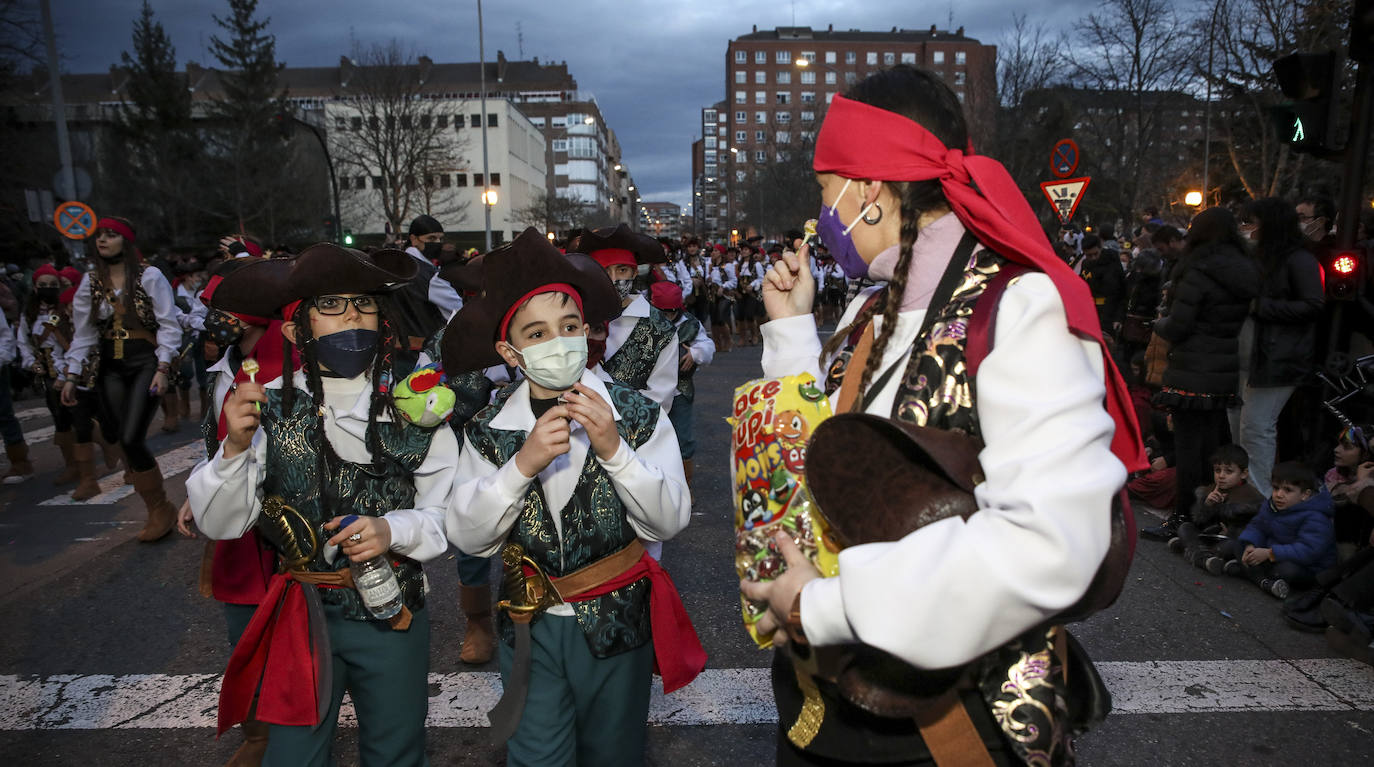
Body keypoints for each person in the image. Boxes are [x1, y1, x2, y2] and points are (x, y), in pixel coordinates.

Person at [743, 65, 1144, 766]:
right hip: (833, 708)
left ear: (868, 189)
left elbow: (1048, 542)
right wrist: (790, 335)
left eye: (823, 190)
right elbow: (836, 456)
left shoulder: (1019, 306)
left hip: (953, 727)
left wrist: (827, 606)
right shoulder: (875, 305)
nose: (818, 217)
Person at [188, 243, 454, 766]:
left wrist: (392, 528)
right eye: (330, 305)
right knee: (294, 754)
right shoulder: (269, 404)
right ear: (295, 331)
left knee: (397, 749)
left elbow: (450, 511)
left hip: (393, 612)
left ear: (384, 321)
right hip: (302, 616)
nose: (352, 314)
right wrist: (234, 451)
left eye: (364, 303)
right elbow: (221, 522)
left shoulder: (416, 401)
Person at [444, 228, 701, 767]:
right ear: (509, 351)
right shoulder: (490, 428)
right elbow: (467, 535)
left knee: (613, 752)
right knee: (536, 756)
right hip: (530, 627)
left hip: (618, 625)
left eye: (567, 327)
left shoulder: (636, 414)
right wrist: (521, 467)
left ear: (587, 331)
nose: (557, 342)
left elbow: (670, 519)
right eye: (536, 334)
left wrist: (615, 450)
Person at [176, 255, 292, 765]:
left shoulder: (286, 371)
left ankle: (280, 731)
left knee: (282, 630)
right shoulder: (227, 363)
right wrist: (200, 488)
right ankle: (259, 732)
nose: (211, 314)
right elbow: (222, 441)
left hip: (277, 525)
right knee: (243, 632)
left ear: (250, 314)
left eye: (220, 307)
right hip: (236, 520)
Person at [1141, 208, 1259, 542]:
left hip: (1191, 369)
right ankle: (1207, 516)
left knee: (1189, 450)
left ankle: (1182, 518)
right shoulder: (1243, 271)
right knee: (1212, 446)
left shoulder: (1197, 271)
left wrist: (1160, 323)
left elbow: (1179, 325)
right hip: (1223, 369)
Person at [61, 217, 183, 541]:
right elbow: (84, 334)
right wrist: (72, 374)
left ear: (125, 242)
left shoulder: (150, 276)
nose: (103, 240)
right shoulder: (89, 283)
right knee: (120, 438)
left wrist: (163, 367)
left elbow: (169, 325)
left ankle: (160, 509)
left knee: (132, 437)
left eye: (111, 235)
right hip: (110, 365)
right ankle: (157, 507)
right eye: (99, 235)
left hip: (145, 361)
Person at [1232, 198, 1324, 494]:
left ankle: (1259, 499)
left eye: (1251, 222)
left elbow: (1313, 305)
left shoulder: (1298, 259)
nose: (1246, 228)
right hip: (1247, 357)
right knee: (1240, 430)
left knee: (1256, 429)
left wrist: (1261, 306)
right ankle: (1240, 495)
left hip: (1276, 358)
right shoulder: (1258, 257)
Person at [570, 224, 680, 414]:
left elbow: (660, 399)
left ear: (634, 273)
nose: (613, 280)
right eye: (605, 271)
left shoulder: (661, 330)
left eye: (622, 270)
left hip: (631, 437)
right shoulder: (573, 319)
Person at [1206, 462, 1336, 599]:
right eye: (1275, 488)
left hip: (1308, 568)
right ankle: (1263, 579)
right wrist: (1250, 545)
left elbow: (1308, 551)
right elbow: (1257, 526)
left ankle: (1250, 574)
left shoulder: (1316, 517)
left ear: (1305, 494)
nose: (1279, 494)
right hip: (1273, 554)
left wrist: (1270, 554)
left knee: (1286, 571)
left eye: (1288, 490)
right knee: (1240, 545)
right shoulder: (1272, 505)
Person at [648, 280, 714, 485]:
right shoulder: (644, 321)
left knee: (682, 439)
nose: (668, 317)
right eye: (663, 312)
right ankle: (654, 484)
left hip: (679, 391)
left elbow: (708, 346)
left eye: (672, 312)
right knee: (650, 438)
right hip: (648, 391)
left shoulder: (690, 324)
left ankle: (685, 487)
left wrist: (695, 353)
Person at [1170, 444, 1265, 568]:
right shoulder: (1211, 490)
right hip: (1210, 537)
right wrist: (1207, 505)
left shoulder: (1250, 496)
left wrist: (1230, 532)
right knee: (1185, 527)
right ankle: (1202, 555)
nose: (1221, 476)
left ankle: (1194, 550)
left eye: (1229, 471)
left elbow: (1253, 529)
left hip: (1231, 540)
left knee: (1231, 546)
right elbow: (1198, 521)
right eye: (1217, 470)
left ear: (1243, 474)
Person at [1078, 234, 1126, 341]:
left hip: (1109, 312)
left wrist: (1119, 317)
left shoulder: (1112, 262)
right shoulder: (1086, 264)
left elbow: (1122, 291)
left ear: (1100, 248)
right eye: (1089, 255)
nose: (1093, 258)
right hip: (1090, 312)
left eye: (1095, 254)